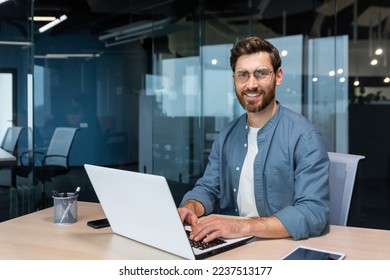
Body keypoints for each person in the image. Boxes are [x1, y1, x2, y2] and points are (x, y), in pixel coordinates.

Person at [178, 36, 330, 242]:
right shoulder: (227, 135)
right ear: (234, 80)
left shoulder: (305, 137)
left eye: (261, 73)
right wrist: (191, 206)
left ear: (278, 76)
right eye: (242, 75)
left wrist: (241, 226)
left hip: (278, 246)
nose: (251, 84)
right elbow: (208, 188)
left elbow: (313, 212)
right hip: (230, 241)